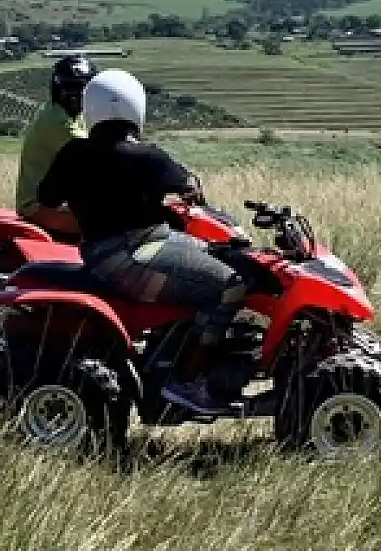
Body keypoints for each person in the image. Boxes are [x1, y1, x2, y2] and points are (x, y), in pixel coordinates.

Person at [36, 68, 247, 415]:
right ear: (135, 108)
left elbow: (47, 198)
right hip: (134, 253)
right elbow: (190, 186)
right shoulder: (146, 157)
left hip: (98, 254)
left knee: (216, 260)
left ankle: (174, 351)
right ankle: (189, 380)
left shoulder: (72, 152)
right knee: (231, 285)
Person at [14, 55, 97, 237]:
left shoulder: (71, 115)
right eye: (70, 87)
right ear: (57, 89)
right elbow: (96, 153)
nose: (77, 93)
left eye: (84, 88)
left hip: (57, 201)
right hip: (39, 207)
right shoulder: (58, 122)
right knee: (114, 222)